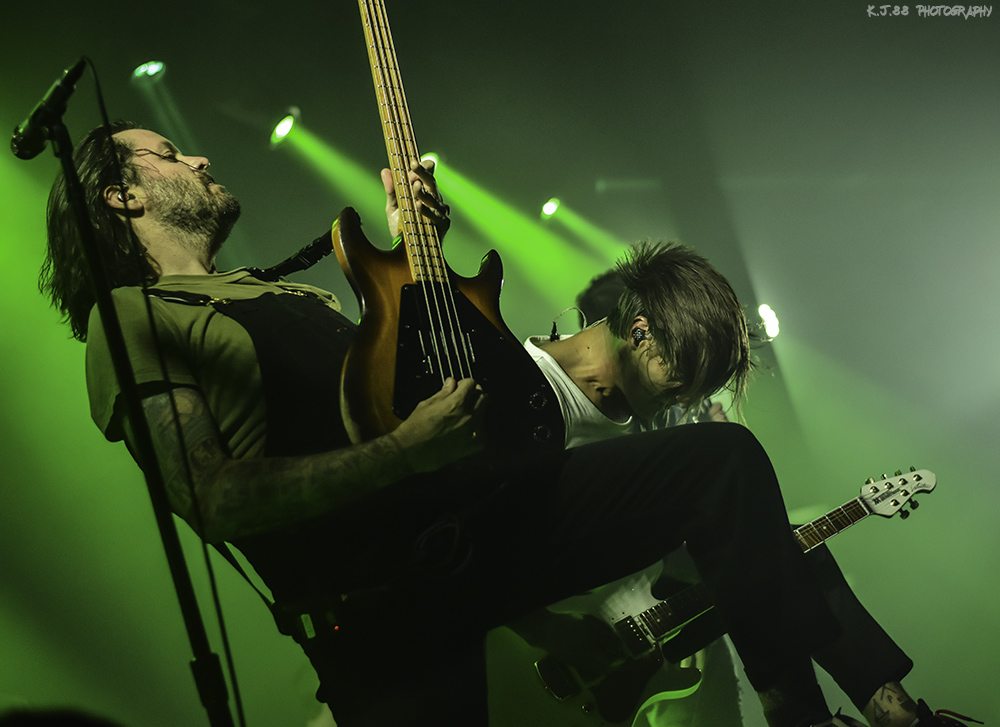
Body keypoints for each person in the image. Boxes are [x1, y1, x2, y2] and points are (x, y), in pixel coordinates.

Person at [40, 121, 977, 727]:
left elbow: (409, 379)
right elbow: (212, 496)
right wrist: (399, 453)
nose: (197, 159)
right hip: (385, 607)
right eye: (168, 155)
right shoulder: (132, 323)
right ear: (120, 196)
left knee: (723, 464)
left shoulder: (281, 293)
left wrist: (419, 252)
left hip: (473, 533)